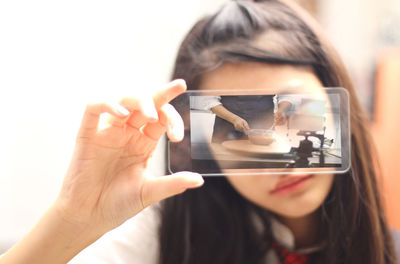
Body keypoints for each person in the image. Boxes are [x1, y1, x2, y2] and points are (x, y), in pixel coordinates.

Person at [1, 1, 399, 264]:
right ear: (202, 143)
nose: (278, 155)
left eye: (292, 112)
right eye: (235, 131)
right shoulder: (170, 233)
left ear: (337, 105)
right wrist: (74, 217)